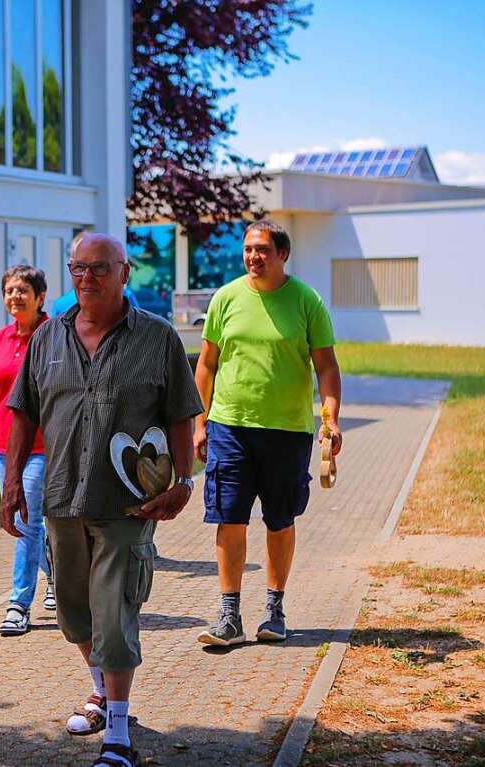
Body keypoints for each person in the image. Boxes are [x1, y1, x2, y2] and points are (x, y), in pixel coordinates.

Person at [2, 233, 201, 767]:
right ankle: (101, 692)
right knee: (73, 613)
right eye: (77, 269)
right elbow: (22, 412)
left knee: (114, 613)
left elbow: (183, 412)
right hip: (63, 497)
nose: (85, 279)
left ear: (124, 272)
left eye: (98, 269)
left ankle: (117, 733)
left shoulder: (157, 338)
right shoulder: (48, 339)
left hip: (129, 503)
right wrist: (11, 484)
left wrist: (185, 481)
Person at [194, 220, 342, 647]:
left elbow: (326, 366)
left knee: (279, 520)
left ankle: (274, 611)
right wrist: (199, 422)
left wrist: (329, 418)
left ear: (282, 254)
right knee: (229, 518)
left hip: (287, 431)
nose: (253, 257)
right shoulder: (226, 298)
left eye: (262, 249)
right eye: (247, 249)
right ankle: (229, 615)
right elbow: (206, 365)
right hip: (230, 427)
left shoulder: (306, 301)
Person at [0, 264, 54, 636]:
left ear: (40, 297)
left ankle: (19, 604)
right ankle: (57, 567)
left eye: (23, 290)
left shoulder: (53, 336)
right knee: (31, 527)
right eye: (10, 291)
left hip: (40, 446)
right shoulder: (0, 339)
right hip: (3, 449)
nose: (15, 297)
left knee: (24, 522)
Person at [50, 232, 140, 317]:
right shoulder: (58, 311)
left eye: (98, 267)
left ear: (124, 272)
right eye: (80, 266)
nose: (87, 276)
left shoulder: (126, 297)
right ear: (72, 264)